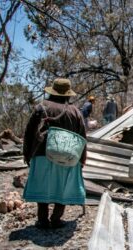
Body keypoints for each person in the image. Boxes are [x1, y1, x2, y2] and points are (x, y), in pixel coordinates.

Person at [23, 78, 86, 229]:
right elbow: (82, 137)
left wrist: (27, 154)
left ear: (52, 91)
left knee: (43, 186)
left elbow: (29, 133)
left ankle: (42, 220)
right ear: (68, 94)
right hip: (68, 156)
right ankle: (56, 219)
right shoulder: (75, 112)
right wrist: (81, 159)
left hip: (42, 153)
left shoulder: (41, 107)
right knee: (62, 187)